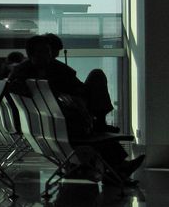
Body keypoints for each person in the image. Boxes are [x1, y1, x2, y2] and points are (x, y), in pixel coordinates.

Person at [7, 36, 144, 180]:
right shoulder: (54, 70)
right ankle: (116, 164)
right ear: (33, 54)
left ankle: (115, 164)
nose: (50, 55)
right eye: (47, 51)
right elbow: (79, 89)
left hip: (48, 125)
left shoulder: (22, 73)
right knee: (96, 81)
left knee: (94, 130)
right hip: (63, 125)